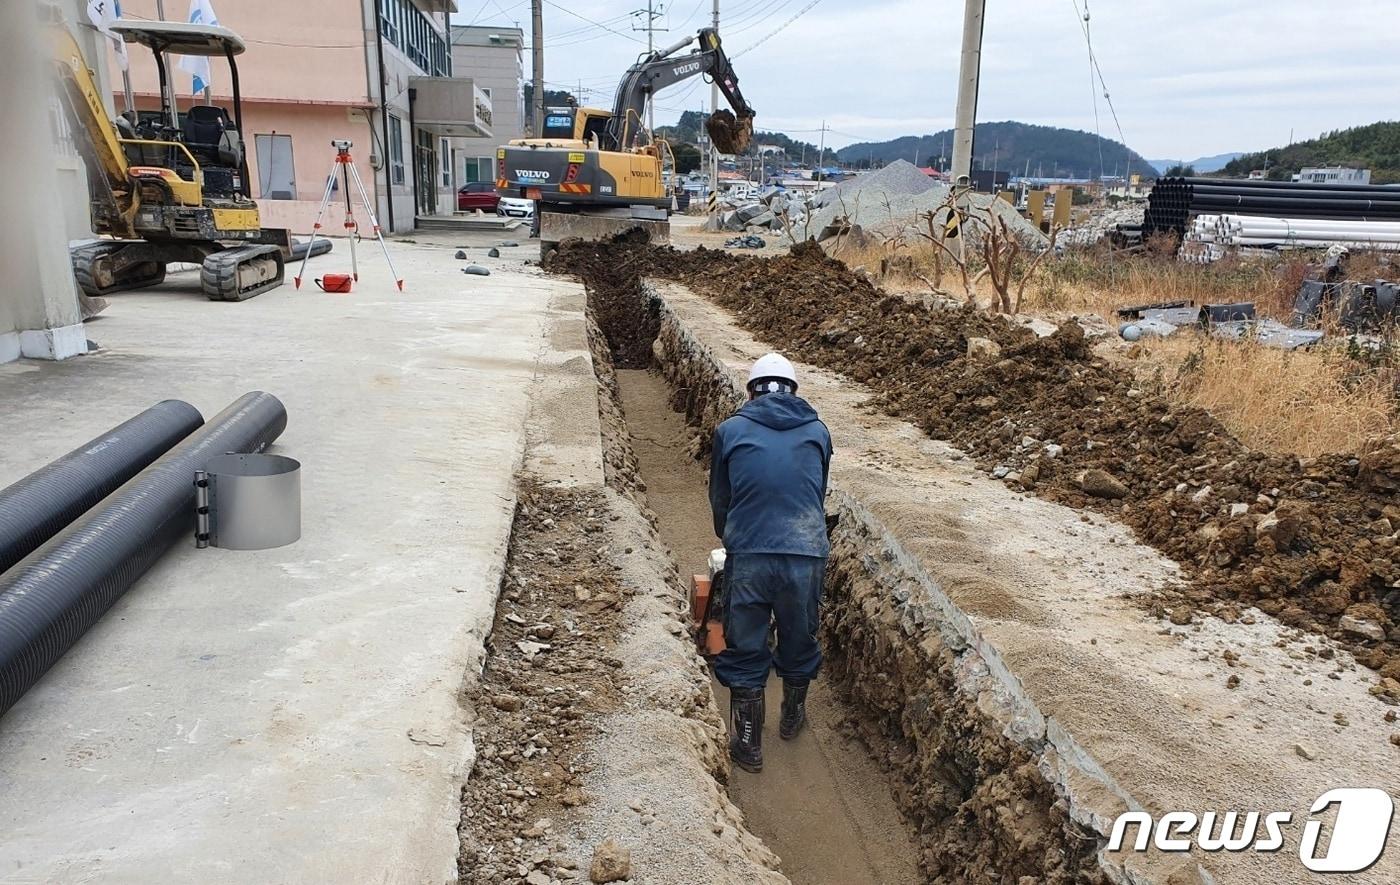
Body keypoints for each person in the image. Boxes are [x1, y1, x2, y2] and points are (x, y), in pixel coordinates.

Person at [708, 352, 833, 773]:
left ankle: (747, 742)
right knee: (799, 634)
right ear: (794, 390)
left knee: (746, 641)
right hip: (806, 552)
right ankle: (792, 715)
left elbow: (720, 500)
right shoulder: (818, 431)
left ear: (752, 391)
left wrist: (734, 538)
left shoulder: (729, 430)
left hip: (752, 551)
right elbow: (816, 494)